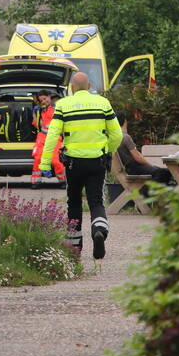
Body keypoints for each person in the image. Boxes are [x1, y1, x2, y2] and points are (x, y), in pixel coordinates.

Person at [40, 72, 122, 259]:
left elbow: (52, 135)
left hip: (73, 163)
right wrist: (107, 150)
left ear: (72, 87)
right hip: (97, 161)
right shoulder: (103, 103)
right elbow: (117, 135)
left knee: (74, 202)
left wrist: (45, 162)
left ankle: (75, 249)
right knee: (96, 201)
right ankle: (99, 230)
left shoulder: (62, 105)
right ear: (89, 85)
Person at [115, 115, 176, 187]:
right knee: (163, 172)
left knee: (164, 172)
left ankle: (156, 193)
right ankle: (145, 192)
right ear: (125, 122)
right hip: (134, 167)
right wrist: (150, 165)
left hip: (129, 168)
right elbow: (137, 157)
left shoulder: (115, 138)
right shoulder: (125, 137)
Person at [30, 90, 65, 187]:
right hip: (42, 137)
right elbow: (36, 125)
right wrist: (35, 114)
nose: (44, 101)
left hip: (54, 138)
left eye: (45, 99)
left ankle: (62, 181)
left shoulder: (57, 109)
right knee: (38, 159)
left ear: (50, 97)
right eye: (41, 100)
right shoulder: (40, 110)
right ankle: (36, 181)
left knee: (55, 161)